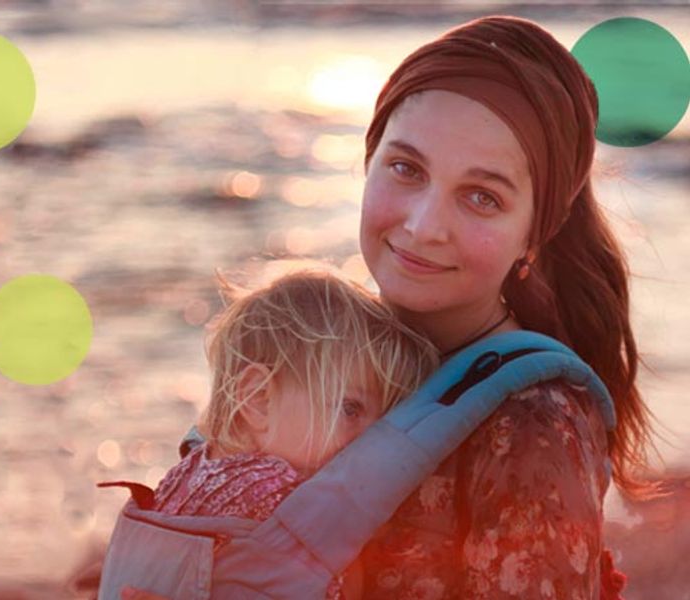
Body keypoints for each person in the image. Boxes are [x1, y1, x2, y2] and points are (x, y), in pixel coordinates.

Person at [125, 14, 658, 599]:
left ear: (533, 235)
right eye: (407, 168)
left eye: (482, 197)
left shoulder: (532, 422)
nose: (425, 225)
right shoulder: (313, 356)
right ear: (368, 163)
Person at [100, 268, 439, 599]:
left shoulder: (183, 473)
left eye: (381, 422)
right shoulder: (285, 499)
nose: (370, 439)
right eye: (350, 409)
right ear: (258, 397)